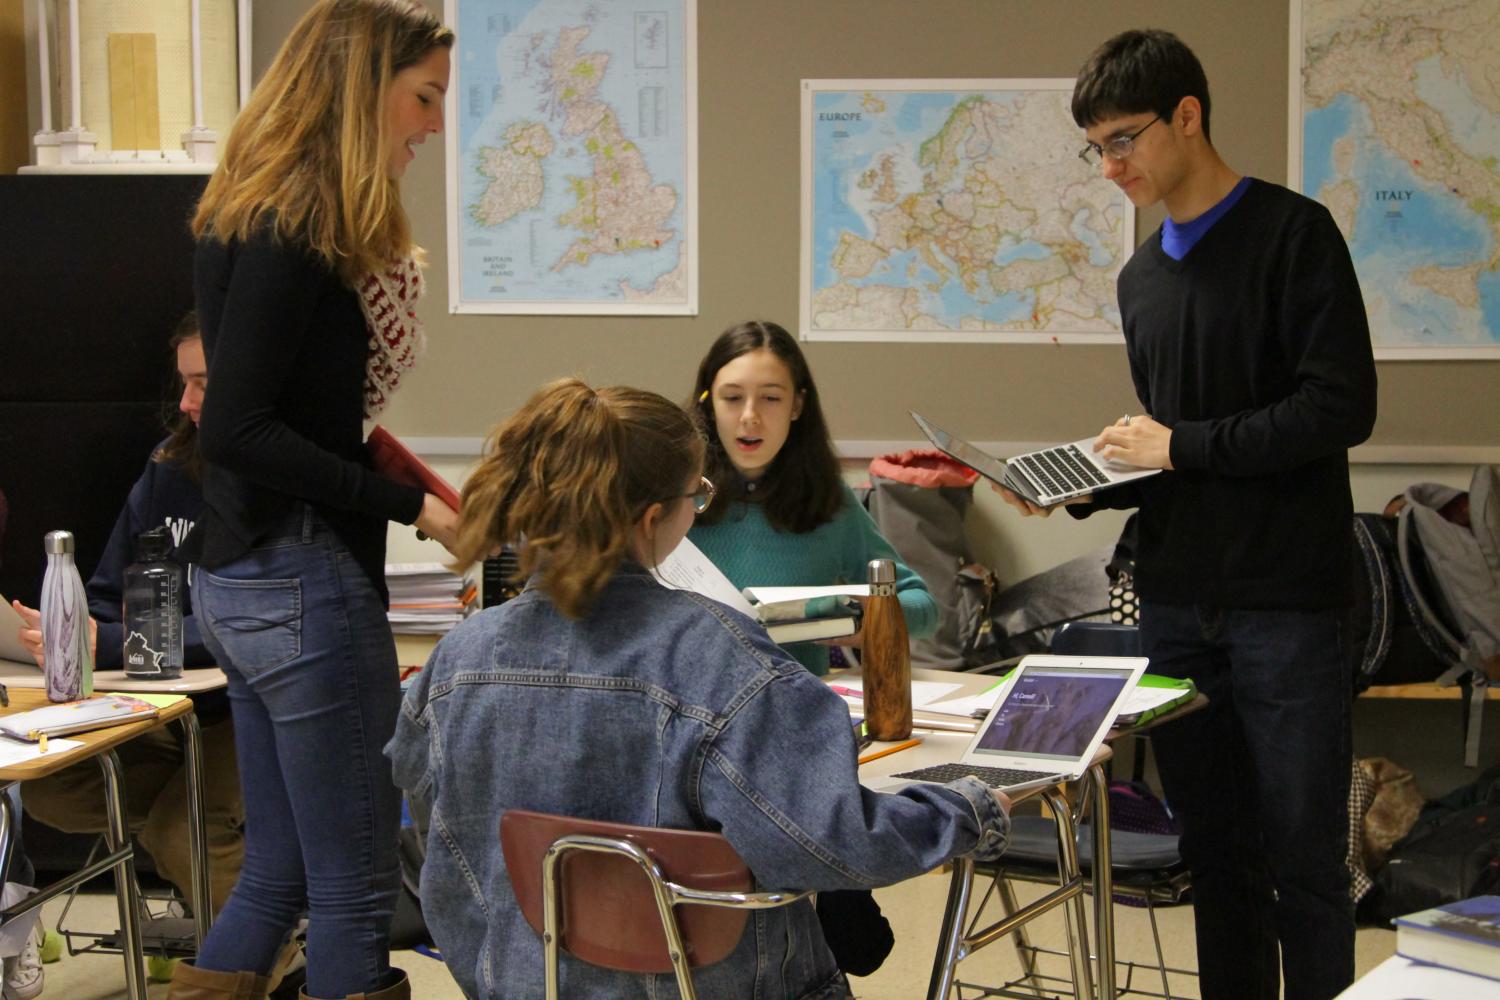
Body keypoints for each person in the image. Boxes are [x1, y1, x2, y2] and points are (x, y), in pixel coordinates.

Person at [385, 378, 1010, 1000]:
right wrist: (966, 810)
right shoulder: (723, 658)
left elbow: (415, 781)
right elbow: (833, 839)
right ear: (656, 518)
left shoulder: (457, 658)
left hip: (518, 982)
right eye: (698, 495)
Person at [996, 29, 1378, 1000]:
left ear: (1188, 117)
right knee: (1216, 860)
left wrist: (1176, 446)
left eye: (1123, 140)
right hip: (1176, 606)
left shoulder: (1295, 238)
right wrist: (1089, 478)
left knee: (1305, 866)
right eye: (1097, 149)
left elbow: (1340, 408)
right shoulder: (1141, 283)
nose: (1111, 166)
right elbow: (1176, 453)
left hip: (1288, 605)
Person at [172, 2, 457, 998]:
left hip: (239, 578)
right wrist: (407, 508)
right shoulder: (299, 225)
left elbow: (283, 416)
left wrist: (400, 482)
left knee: (280, 871)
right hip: (302, 582)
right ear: (360, 82)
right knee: (353, 884)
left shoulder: (249, 207)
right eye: (423, 98)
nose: (431, 125)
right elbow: (237, 426)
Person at [10, 314, 247, 927]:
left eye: (202, 384)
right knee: (55, 791)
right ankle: (253, 892)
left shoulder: (286, 484)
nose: (187, 402)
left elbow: (251, 627)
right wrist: (69, 634)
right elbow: (107, 590)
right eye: (183, 384)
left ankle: (261, 966)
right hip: (166, 705)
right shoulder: (169, 468)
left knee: (180, 829)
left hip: (257, 707)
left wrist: (108, 645)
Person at [687, 320, 939, 678]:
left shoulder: (828, 502)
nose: (749, 417)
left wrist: (861, 616)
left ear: (796, 405)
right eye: (731, 398)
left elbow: (923, 607)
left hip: (795, 713)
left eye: (771, 398)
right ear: (708, 403)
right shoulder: (674, 497)